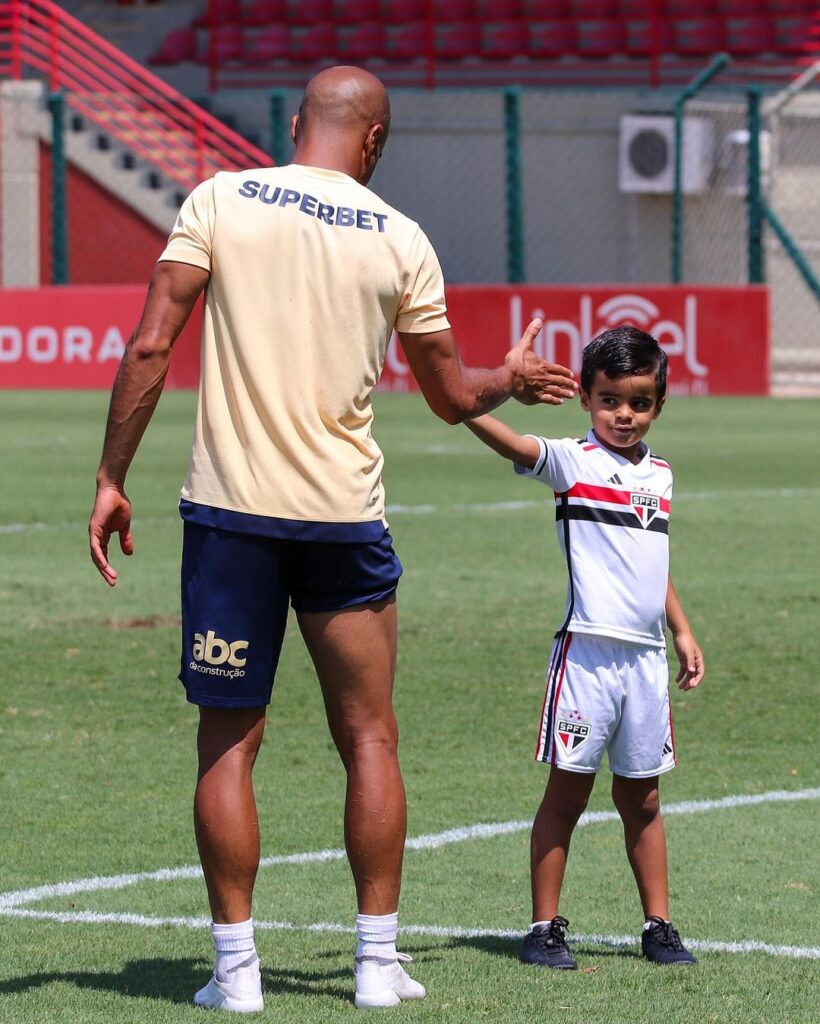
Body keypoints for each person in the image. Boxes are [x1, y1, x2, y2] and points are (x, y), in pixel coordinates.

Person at [88, 66, 578, 1013]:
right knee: (369, 737)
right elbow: (449, 399)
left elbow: (152, 343)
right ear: (375, 140)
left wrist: (112, 477)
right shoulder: (402, 237)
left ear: (301, 122)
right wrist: (508, 376)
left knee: (228, 743)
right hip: (344, 520)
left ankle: (236, 978)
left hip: (230, 516)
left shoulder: (221, 198)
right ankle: (375, 967)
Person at [464, 325, 705, 969]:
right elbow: (506, 440)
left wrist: (679, 628)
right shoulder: (572, 461)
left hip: (645, 662)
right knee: (567, 794)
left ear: (658, 404)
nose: (623, 414)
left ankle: (659, 926)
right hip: (588, 659)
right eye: (609, 400)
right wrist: (477, 398)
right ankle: (544, 928)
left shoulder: (661, 475)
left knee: (643, 798)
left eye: (640, 402)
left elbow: (651, 559)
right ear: (585, 399)